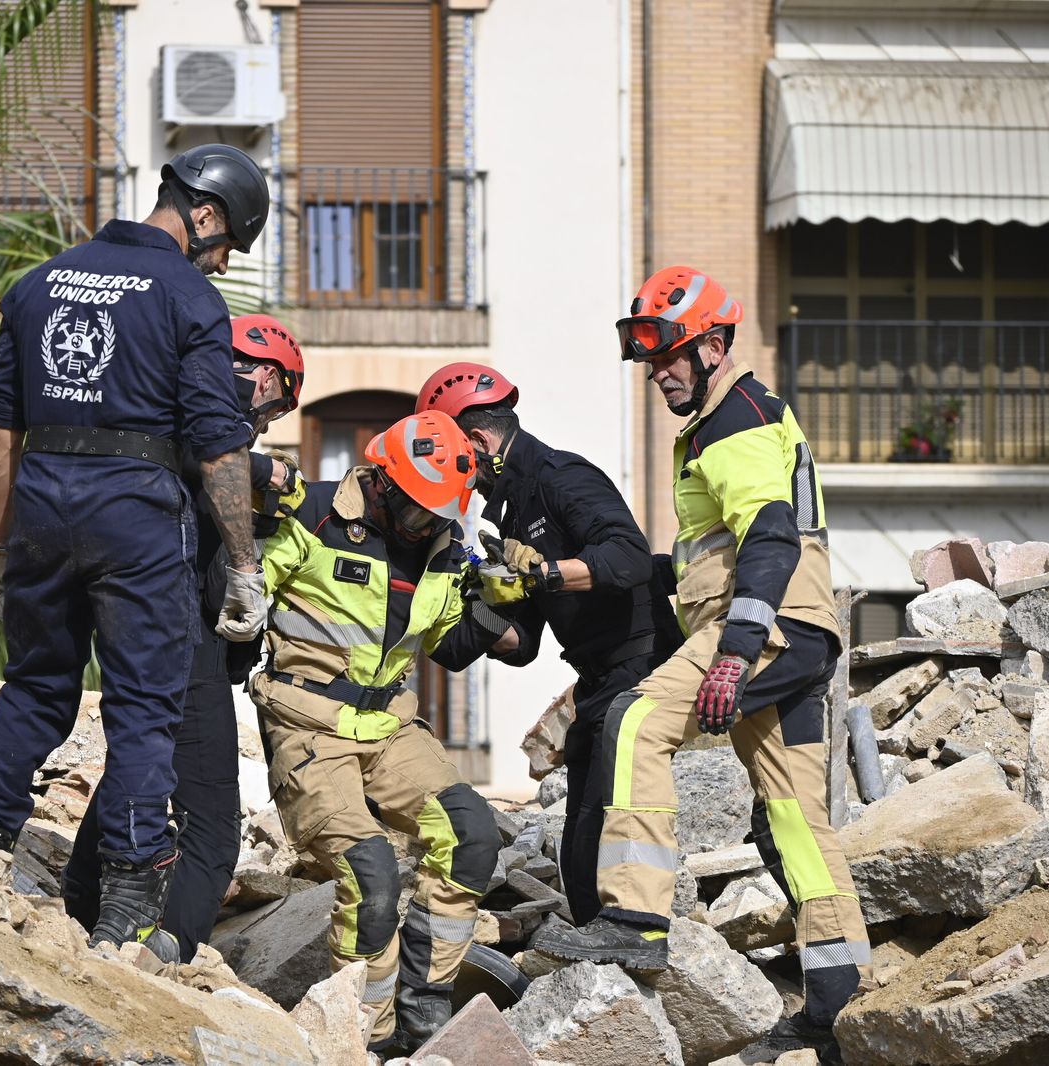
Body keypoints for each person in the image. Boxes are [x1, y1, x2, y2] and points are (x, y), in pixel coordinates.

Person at [533, 266, 872, 1061]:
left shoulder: (737, 422)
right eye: (652, 362)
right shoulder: (726, 422)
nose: (659, 374)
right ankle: (838, 999)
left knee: (637, 721)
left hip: (767, 624)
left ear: (715, 345)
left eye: (671, 357)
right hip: (799, 629)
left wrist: (735, 655)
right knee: (794, 815)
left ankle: (635, 918)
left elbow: (769, 539)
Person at [0, 144, 272, 961]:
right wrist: (243, 563)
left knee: (35, 687)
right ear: (205, 214)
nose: (225, 257)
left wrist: (2, 545)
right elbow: (216, 441)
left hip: (40, 508)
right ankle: (129, 898)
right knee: (143, 705)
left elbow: (3, 427)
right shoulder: (187, 297)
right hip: (134, 520)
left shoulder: (38, 284)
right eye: (229, 241)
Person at [250, 411, 512, 1053]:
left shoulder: (448, 544)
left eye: (440, 513)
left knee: (471, 833)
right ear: (384, 482)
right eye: (422, 510)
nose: (431, 523)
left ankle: (424, 1005)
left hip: (391, 722)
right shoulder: (312, 514)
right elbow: (240, 592)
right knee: (369, 871)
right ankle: (367, 1033)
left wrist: (501, 603)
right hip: (307, 721)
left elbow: (448, 638)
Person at [62, 313, 307, 963]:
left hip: (122, 613)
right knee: (211, 820)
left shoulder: (153, 394)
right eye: (273, 408)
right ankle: (167, 950)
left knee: (137, 767)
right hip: (173, 628)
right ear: (264, 377)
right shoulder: (213, 411)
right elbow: (210, 453)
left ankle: (79, 906)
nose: (264, 423)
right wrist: (263, 472)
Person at [415, 362, 681, 926]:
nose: (453, 472)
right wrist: (474, 615)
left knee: (600, 823)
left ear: (480, 441)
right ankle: (599, 950)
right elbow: (524, 642)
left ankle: (634, 936)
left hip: (644, 665)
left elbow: (630, 557)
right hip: (597, 680)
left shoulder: (563, 478)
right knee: (578, 838)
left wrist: (545, 575)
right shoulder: (510, 510)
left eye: (453, 455)